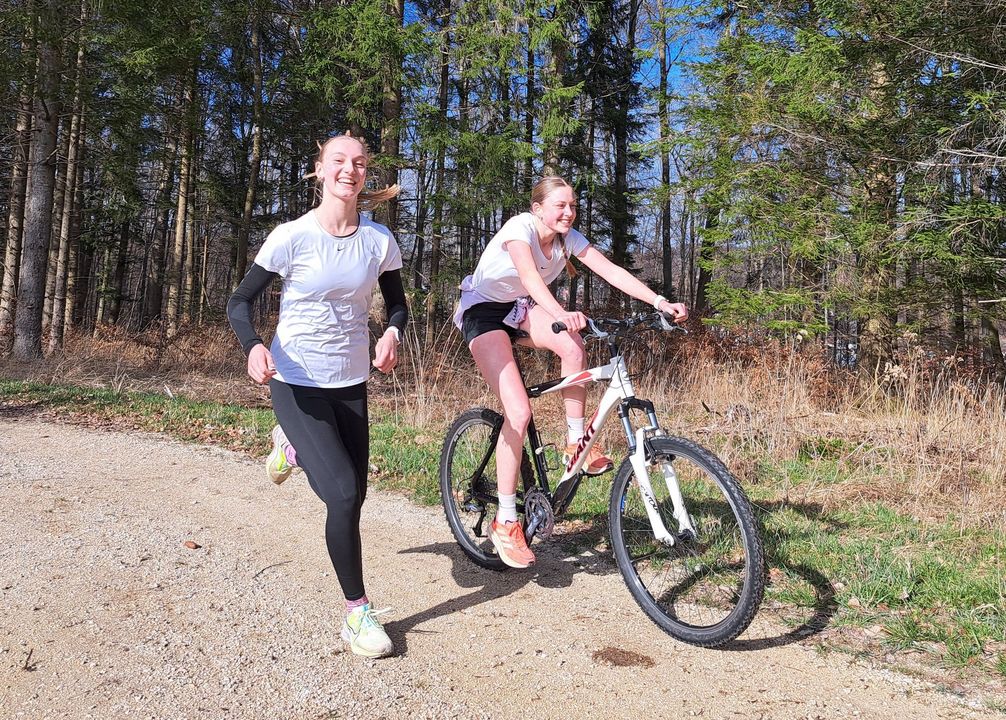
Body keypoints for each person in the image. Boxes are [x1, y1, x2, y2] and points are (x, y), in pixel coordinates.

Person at [227, 133, 407, 659]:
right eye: (338, 161)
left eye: (359, 163)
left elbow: (397, 306)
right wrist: (254, 346)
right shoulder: (291, 236)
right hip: (294, 377)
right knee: (344, 493)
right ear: (319, 170)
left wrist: (392, 333)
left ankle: (291, 446)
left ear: (365, 174)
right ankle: (357, 613)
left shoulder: (379, 242)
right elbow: (240, 302)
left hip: (350, 381)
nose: (349, 170)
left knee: (355, 497)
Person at [454, 175, 687, 569]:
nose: (568, 212)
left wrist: (659, 300)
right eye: (560, 205)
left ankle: (575, 441)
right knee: (519, 412)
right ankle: (506, 519)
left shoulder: (568, 238)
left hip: (518, 308)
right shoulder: (519, 229)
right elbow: (528, 277)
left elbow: (610, 270)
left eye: (573, 206)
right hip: (484, 313)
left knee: (572, 345)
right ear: (538, 209)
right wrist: (561, 314)